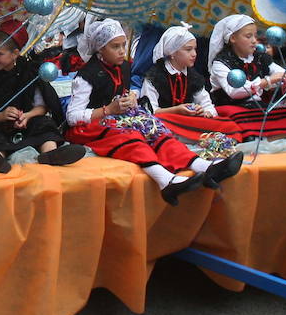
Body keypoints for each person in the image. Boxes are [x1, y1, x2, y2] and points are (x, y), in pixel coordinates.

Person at [65, 20, 241, 204]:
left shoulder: (124, 67)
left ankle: (203, 167)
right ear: (100, 49)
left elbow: (125, 93)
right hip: (90, 127)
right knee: (130, 135)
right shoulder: (87, 75)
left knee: (156, 130)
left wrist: (131, 97)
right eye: (114, 46)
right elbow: (72, 117)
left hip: (119, 118)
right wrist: (108, 110)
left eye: (123, 45)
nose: (121, 51)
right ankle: (165, 180)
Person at [0, 25, 83, 171]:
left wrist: (27, 116)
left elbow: (41, 106)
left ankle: (50, 154)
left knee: (44, 123)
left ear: (15, 53)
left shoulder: (30, 69)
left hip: (24, 123)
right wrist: (0, 116)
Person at [208, 14, 286, 106]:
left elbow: (279, 72)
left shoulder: (259, 58)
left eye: (255, 36)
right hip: (229, 109)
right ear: (233, 38)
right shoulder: (221, 63)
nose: (254, 41)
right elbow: (234, 91)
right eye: (248, 36)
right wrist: (268, 81)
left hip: (255, 107)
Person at [142, 25, 216, 116]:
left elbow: (207, 105)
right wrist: (176, 110)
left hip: (187, 122)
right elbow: (149, 110)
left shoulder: (193, 76)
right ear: (172, 52)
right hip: (163, 122)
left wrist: (205, 112)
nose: (194, 54)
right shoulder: (155, 76)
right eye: (188, 49)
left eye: (195, 49)